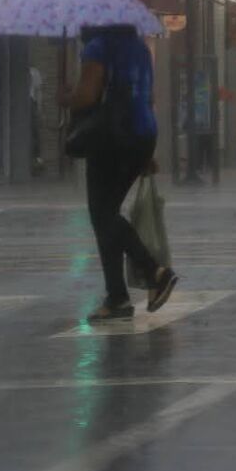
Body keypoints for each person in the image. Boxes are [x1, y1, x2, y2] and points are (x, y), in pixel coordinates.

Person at [58, 25, 178, 321]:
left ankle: (153, 272)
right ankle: (116, 297)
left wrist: (66, 97)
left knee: (103, 215)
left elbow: (87, 96)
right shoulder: (139, 48)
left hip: (112, 137)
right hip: (141, 133)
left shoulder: (98, 47)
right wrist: (147, 154)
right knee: (106, 215)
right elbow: (145, 97)